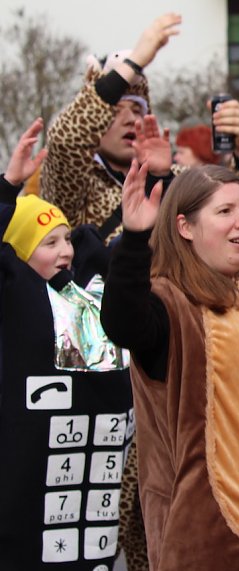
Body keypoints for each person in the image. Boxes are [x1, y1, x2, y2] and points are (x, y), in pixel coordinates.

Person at [99, 161, 239, 570]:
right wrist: (135, 239)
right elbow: (123, 322)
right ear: (185, 227)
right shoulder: (169, 304)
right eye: (225, 212)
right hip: (209, 542)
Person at [0, 119, 134, 570]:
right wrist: (9, 186)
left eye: (65, 239)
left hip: (90, 507)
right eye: (48, 242)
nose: (66, 251)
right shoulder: (10, 299)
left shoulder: (83, 299)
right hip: (22, 504)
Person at [40, 13, 239, 241]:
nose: (130, 119)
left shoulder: (179, 178)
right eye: (115, 111)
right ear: (95, 117)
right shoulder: (77, 183)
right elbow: (65, 141)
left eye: (137, 109)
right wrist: (135, 61)